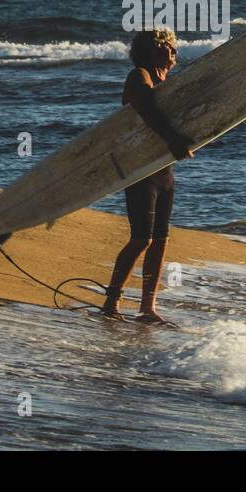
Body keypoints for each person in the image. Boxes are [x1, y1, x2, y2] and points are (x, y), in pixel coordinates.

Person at [100, 28, 194, 324]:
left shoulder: (168, 82)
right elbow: (148, 110)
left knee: (160, 240)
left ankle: (147, 308)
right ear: (153, 51)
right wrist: (173, 140)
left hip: (163, 169)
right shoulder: (139, 76)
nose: (174, 52)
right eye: (169, 47)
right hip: (140, 169)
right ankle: (111, 302)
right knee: (141, 238)